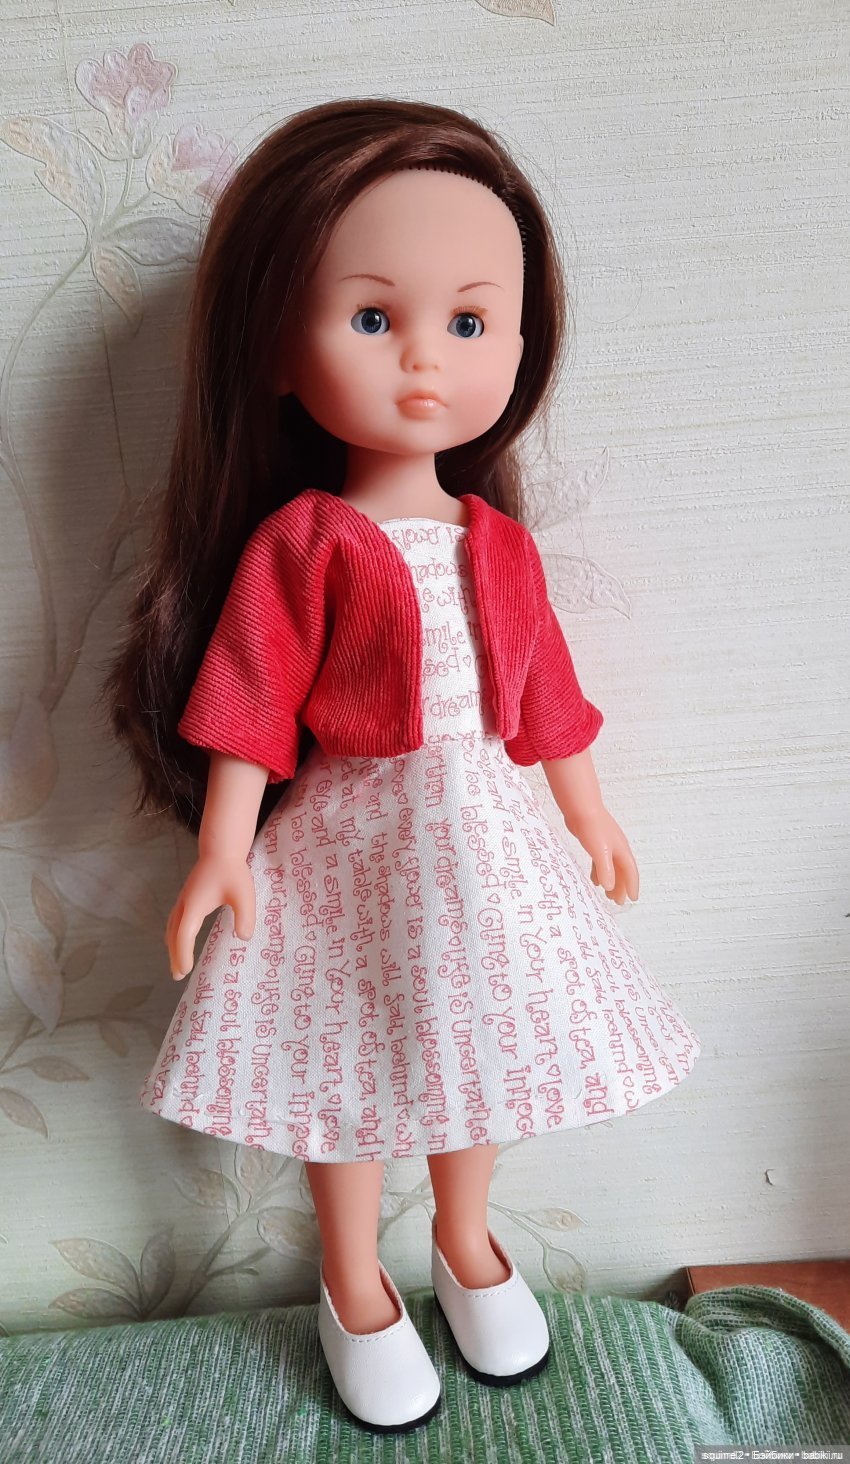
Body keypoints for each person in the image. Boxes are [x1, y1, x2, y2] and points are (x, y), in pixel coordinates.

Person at [102, 97, 701, 1435]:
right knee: (348, 1061)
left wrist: (590, 816)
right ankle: (354, 1279)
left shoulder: (496, 541)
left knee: (474, 1043)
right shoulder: (304, 542)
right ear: (277, 346)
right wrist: (221, 847)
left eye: (470, 324)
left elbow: (547, 699)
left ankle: (466, 1239)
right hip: (345, 850)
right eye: (374, 318)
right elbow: (251, 701)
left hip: (483, 843)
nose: (426, 358)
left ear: (519, 347)